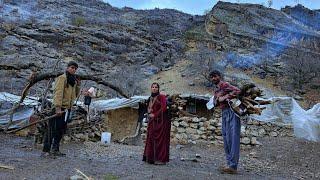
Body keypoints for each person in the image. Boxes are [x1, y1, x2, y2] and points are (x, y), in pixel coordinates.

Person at [42, 61, 80, 157]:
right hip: (58, 108)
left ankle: (55, 149)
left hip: (67, 109)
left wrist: (78, 85)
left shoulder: (73, 80)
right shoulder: (62, 78)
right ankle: (46, 151)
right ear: (67, 68)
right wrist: (58, 108)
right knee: (52, 129)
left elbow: (75, 94)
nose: (73, 70)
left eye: (75, 68)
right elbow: (58, 93)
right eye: (72, 67)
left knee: (60, 130)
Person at [209, 70, 241, 174]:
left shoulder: (224, 85)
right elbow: (215, 103)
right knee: (226, 138)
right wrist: (217, 100)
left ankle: (233, 166)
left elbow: (238, 91)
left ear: (219, 76)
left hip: (232, 112)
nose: (213, 78)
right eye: (212, 77)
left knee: (233, 138)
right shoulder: (216, 90)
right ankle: (229, 164)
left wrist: (225, 97)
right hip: (224, 113)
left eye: (215, 76)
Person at [143, 83, 171, 165]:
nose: (154, 88)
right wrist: (149, 114)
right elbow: (149, 108)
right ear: (151, 88)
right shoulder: (150, 98)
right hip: (152, 122)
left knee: (160, 140)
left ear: (158, 89)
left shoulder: (161, 97)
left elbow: (164, 107)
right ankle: (151, 158)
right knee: (151, 138)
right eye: (153, 87)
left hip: (161, 122)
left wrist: (155, 115)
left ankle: (160, 159)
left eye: (156, 87)